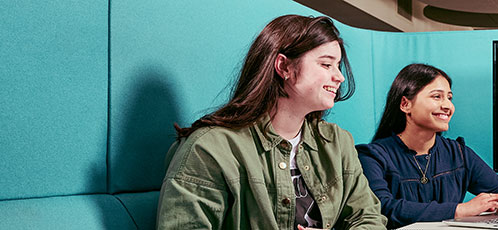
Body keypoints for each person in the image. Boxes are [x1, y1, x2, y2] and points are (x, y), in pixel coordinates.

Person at [157, 15, 386, 229]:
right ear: (284, 66)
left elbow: (369, 216)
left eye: (338, 66)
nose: (339, 76)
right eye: (326, 64)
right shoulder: (210, 148)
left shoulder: (337, 142)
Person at [357, 63, 498, 229]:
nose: (447, 106)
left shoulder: (459, 152)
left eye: (449, 98)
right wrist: (460, 210)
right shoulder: (373, 156)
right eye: (437, 97)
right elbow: (383, 208)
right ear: (405, 104)